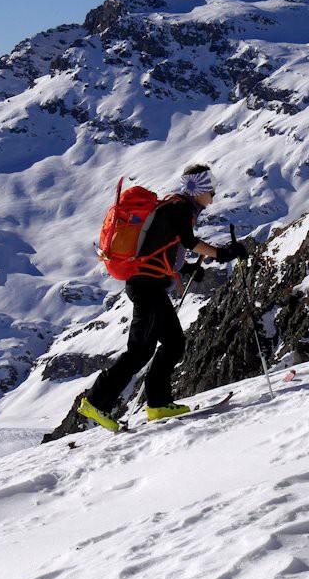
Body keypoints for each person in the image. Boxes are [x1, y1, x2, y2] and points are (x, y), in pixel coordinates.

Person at [77, 163, 248, 430]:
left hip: (150, 285)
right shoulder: (180, 207)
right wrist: (224, 253)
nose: (213, 196)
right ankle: (97, 401)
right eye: (210, 190)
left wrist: (188, 267)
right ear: (198, 188)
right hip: (147, 287)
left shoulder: (176, 208)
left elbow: (166, 248)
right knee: (140, 350)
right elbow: (189, 243)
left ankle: (158, 404)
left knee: (174, 343)